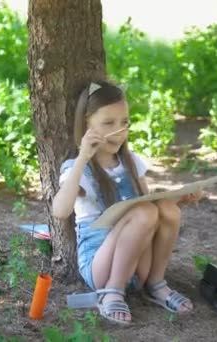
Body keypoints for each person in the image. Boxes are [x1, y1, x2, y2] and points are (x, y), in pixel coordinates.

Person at [52, 80, 202, 324]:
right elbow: (60, 211)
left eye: (124, 122)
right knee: (143, 211)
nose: (119, 130)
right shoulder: (79, 169)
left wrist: (182, 197)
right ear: (87, 124)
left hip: (138, 265)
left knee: (164, 208)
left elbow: (152, 207)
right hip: (101, 267)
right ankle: (112, 291)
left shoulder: (131, 162)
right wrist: (82, 157)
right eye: (108, 123)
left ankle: (156, 284)